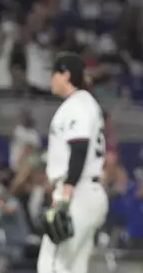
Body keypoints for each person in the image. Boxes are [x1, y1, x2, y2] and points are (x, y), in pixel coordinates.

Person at [37, 52, 109, 273]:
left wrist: (66, 195)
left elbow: (79, 148)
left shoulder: (76, 105)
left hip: (78, 193)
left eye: (54, 73)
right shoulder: (87, 104)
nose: (51, 79)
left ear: (66, 75)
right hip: (89, 191)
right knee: (74, 267)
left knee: (51, 265)